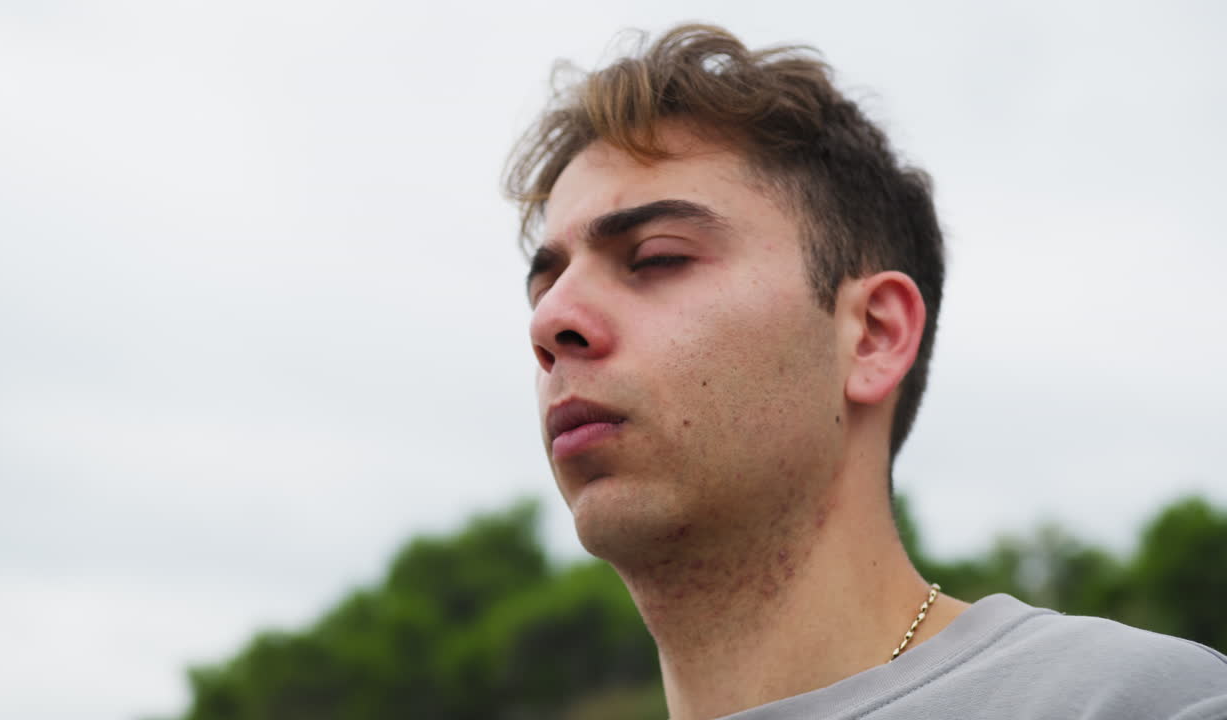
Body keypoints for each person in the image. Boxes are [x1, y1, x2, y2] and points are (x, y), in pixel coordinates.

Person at [504, 23, 1227, 720]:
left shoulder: (1143, 702)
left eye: (657, 257)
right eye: (546, 286)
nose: (550, 324)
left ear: (874, 336)